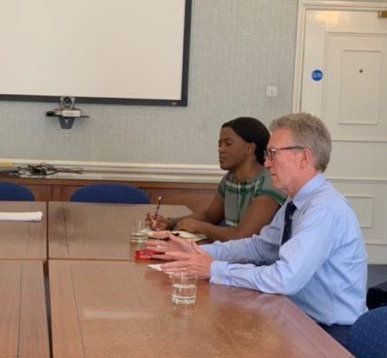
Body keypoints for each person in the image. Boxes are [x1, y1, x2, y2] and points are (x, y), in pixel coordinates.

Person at [149, 112, 367, 345]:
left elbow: (284, 278)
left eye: (273, 154)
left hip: (330, 336)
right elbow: (259, 247)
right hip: (296, 318)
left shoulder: (325, 209)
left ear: (304, 157)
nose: (267, 163)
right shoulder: (296, 202)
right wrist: (197, 252)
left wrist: (214, 269)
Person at [147, 117, 285, 241]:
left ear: (250, 148)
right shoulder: (229, 179)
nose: (221, 149)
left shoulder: (269, 182)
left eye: (228, 144)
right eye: (220, 144)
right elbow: (210, 216)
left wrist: (199, 226)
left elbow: (242, 236)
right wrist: (170, 223)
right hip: (232, 254)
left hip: (259, 260)